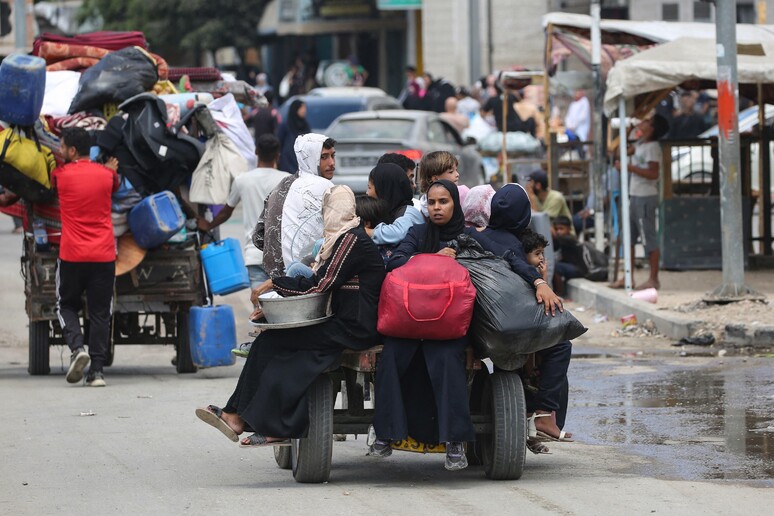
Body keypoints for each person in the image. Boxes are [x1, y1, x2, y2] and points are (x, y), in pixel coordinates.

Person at [195, 185, 385, 447]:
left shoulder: (351, 240)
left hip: (355, 327)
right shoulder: (341, 239)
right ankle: (236, 415)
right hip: (343, 321)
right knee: (267, 342)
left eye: (326, 209)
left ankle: (263, 422)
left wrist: (274, 284)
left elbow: (320, 285)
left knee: (276, 344)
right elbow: (321, 284)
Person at [370, 179, 475, 471]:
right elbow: (395, 262)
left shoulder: (467, 237)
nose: (437, 208)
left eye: (444, 202)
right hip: (410, 321)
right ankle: (385, 434)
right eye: (432, 203)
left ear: (455, 204)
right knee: (391, 357)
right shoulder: (418, 233)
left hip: (447, 325)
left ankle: (454, 443)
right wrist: (431, 259)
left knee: (447, 361)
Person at [52, 127, 119, 387]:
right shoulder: (106, 175)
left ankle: (78, 348)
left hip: (71, 254)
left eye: (61, 146)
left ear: (71, 150)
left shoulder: (60, 174)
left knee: (66, 305)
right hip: (103, 255)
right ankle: (98, 372)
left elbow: (50, 185)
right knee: (101, 312)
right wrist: (111, 169)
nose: (59, 149)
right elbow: (115, 184)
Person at [198, 134, 286, 288]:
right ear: (278, 156)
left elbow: (226, 212)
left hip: (254, 256)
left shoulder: (242, 180)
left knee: (259, 308)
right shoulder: (287, 180)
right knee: (282, 308)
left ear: (256, 151)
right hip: (281, 257)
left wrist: (208, 225)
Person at [519, 227, 573, 443]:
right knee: (562, 347)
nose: (541, 258)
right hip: (522, 334)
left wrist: (542, 278)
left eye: (542, 253)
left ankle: (540, 427)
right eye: (537, 253)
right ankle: (543, 417)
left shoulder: (533, 276)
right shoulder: (521, 274)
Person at [611, 114, 668, 291]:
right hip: (635, 195)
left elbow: (653, 173)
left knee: (648, 237)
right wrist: (627, 131)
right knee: (629, 236)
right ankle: (628, 276)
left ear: (652, 128)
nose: (642, 122)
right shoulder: (641, 144)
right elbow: (619, 151)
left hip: (645, 196)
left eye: (647, 121)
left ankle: (653, 278)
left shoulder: (652, 147)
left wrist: (629, 168)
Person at [281, 134, 335, 271]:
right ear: (310, 158)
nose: (331, 163)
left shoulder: (294, 184)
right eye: (324, 157)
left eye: (332, 156)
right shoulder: (324, 186)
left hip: (291, 270)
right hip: (312, 270)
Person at [365, 163, 425, 263]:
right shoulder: (388, 213)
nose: (367, 193)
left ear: (384, 189)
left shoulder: (409, 212)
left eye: (370, 188)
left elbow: (398, 233)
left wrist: (369, 232)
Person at [525, 169, 574, 235]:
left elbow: (541, 222)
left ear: (538, 186)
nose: (528, 186)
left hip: (564, 237)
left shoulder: (556, 198)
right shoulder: (536, 198)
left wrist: (531, 198)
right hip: (548, 234)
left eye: (531, 183)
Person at [417, 150, 459, 217]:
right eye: (451, 172)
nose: (457, 174)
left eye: (456, 170)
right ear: (435, 179)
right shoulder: (423, 204)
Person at [277, 99, 310, 173]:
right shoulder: (286, 125)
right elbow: (279, 143)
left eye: (305, 108)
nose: (304, 110)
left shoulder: (305, 126)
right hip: (287, 164)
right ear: (295, 109)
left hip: (302, 164)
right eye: (301, 108)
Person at [564, 89, 591, 157]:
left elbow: (582, 117)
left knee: (580, 147)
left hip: (580, 131)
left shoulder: (584, 102)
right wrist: (569, 126)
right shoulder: (573, 104)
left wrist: (573, 126)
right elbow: (568, 117)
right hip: (572, 131)